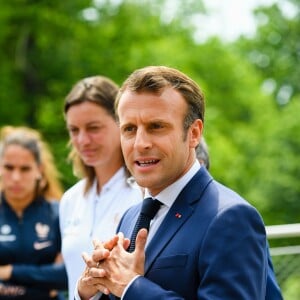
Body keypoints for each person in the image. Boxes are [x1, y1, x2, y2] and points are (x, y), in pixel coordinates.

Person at [76, 66, 283, 299]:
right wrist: (90, 289)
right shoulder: (131, 217)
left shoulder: (231, 217)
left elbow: (130, 289)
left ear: (194, 133)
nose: (140, 143)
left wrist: (132, 287)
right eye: (129, 129)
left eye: (156, 127)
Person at [59, 75, 143, 300]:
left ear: (121, 124)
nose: (83, 140)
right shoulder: (70, 199)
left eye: (93, 128)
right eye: (74, 130)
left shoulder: (143, 194)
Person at [0, 126, 68, 299]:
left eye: (25, 169)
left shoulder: (57, 213)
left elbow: (65, 274)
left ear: (39, 170)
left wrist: (9, 272)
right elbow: (52, 278)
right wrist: (42, 280)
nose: (16, 177)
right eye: (9, 167)